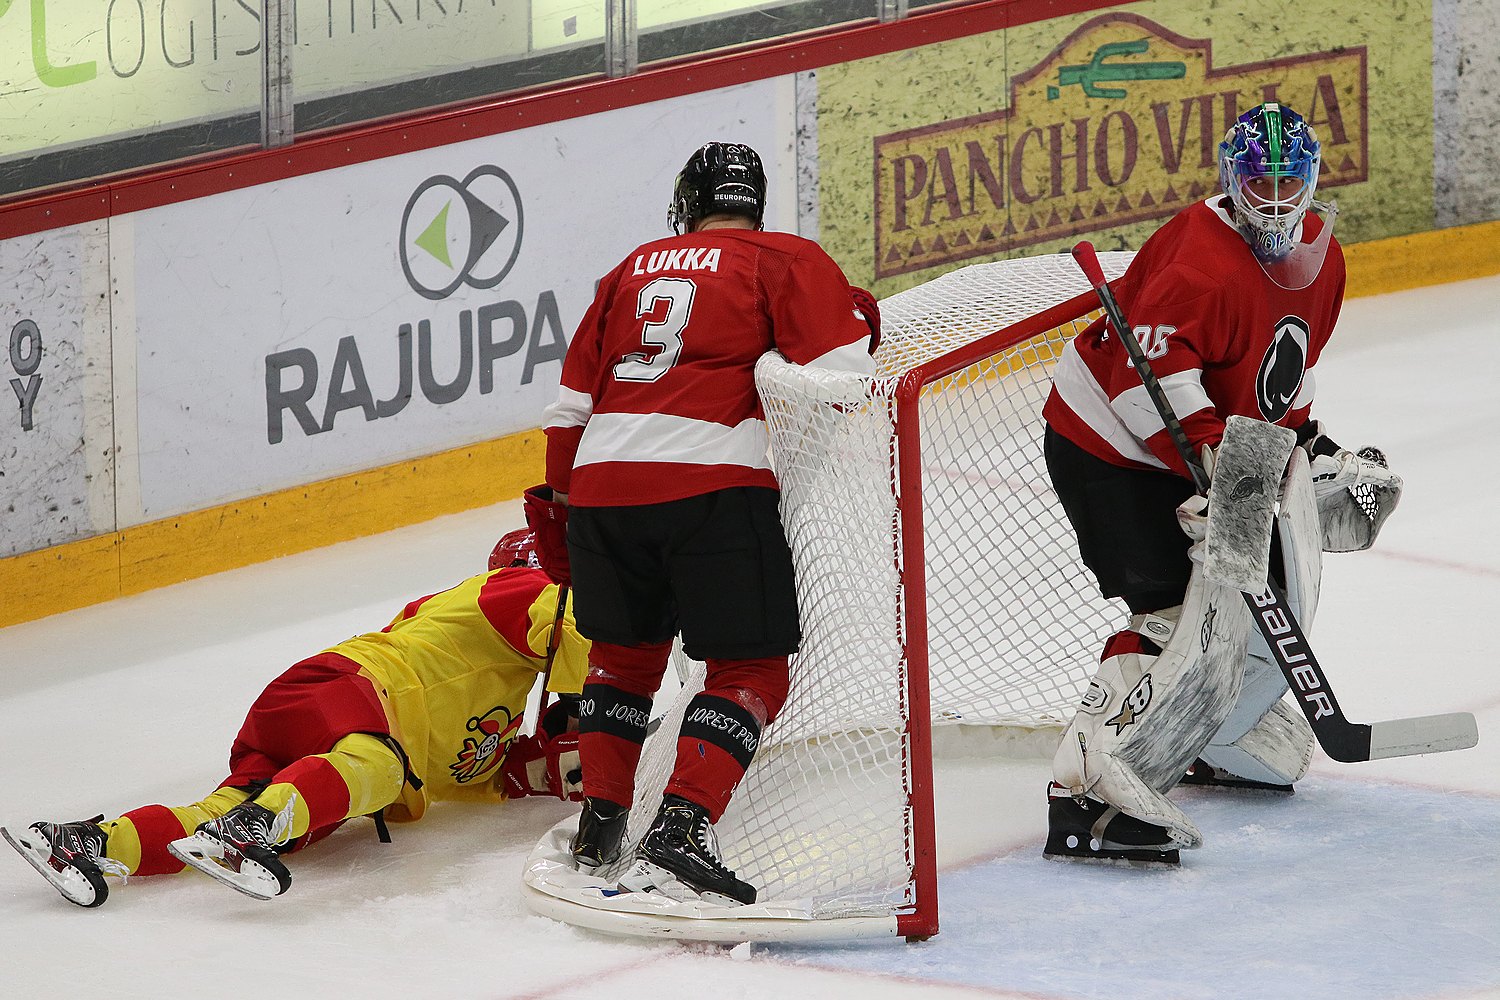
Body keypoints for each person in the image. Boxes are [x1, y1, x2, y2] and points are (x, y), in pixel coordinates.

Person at [1040, 103, 1403, 864]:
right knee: (1177, 607)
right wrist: (1210, 469)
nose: (1273, 199)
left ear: (1312, 181)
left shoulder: (1323, 259)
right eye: (1257, 181)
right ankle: (1085, 795)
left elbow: (1279, 378)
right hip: (1108, 445)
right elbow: (1146, 389)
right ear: (1229, 180)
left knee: (1244, 583)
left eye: (1288, 181)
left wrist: (1307, 448)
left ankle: (1217, 736)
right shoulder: (1196, 262)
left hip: (1212, 443)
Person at [531, 141, 879, 906]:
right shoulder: (782, 258)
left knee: (621, 661)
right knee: (750, 669)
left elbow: (568, 412)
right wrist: (856, 322)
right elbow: (846, 384)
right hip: (711, 486)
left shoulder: (629, 269)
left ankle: (600, 828)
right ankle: (681, 826)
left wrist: (562, 510)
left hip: (600, 490)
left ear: (689, 203)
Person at [3, 530, 590, 907]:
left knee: (216, 813)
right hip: (348, 688)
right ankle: (250, 830)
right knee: (381, 768)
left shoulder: (494, 686)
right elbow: (584, 635)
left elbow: (473, 775)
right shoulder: (512, 589)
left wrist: (551, 761)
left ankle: (86, 843)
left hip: (313, 712)